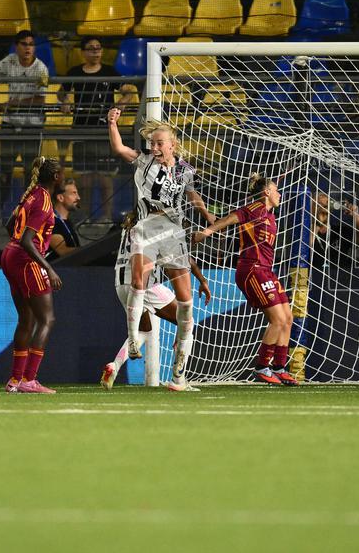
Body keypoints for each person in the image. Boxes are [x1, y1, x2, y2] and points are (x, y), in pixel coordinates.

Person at [106, 108, 214, 389]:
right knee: (140, 281)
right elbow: (118, 148)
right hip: (147, 227)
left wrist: (209, 217)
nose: (153, 147)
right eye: (152, 142)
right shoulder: (143, 162)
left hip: (173, 234)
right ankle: (132, 341)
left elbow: (193, 195)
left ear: (172, 145)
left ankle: (179, 375)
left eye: (158, 143)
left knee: (185, 303)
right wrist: (112, 123)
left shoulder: (185, 170)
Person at [192, 174, 298, 386]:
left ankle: (279, 367)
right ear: (266, 192)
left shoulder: (270, 215)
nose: (279, 193)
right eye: (276, 189)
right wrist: (206, 232)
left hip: (267, 270)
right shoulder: (254, 209)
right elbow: (231, 218)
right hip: (252, 269)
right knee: (277, 319)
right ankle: (261, 367)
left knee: (288, 317)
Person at [100, 210, 212, 391]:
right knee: (187, 322)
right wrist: (202, 279)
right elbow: (180, 259)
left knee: (143, 331)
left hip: (121, 285)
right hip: (146, 286)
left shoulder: (129, 230)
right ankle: (179, 378)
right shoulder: (154, 230)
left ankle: (114, 365)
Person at [0, 30, 50, 226]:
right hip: (10, 124)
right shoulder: (9, 61)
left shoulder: (42, 69)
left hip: (32, 127)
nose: (28, 47)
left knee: (29, 173)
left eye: (31, 44)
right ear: (17, 46)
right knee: (3, 170)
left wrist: (13, 103)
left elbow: (40, 100)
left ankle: (28, 216)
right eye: (24, 44)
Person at [1, 157, 64, 394]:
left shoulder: (31, 194)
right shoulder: (45, 202)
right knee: (47, 319)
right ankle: (29, 379)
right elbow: (28, 241)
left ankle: (15, 380)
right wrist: (48, 267)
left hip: (9, 254)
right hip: (25, 260)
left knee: (26, 318)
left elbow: (10, 225)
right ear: (56, 177)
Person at [59, 37, 137, 222]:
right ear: (83, 52)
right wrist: (66, 101)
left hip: (105, 132)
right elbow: (61, 92)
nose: (95, 51)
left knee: (105, 179)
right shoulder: (75, 72)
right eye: (91, 48)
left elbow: (130, 91)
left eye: (98, 48)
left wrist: (120, 105)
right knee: (84, 181)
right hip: (81, 130)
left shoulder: (110, 72)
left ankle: (106, 217)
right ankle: (85, 218)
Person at [47, 178, 81, 261]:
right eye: (74, 193)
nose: (78, 197)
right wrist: (91, 250)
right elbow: (63, 251)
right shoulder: (50, 222)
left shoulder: (67, 222)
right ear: (60, 198)